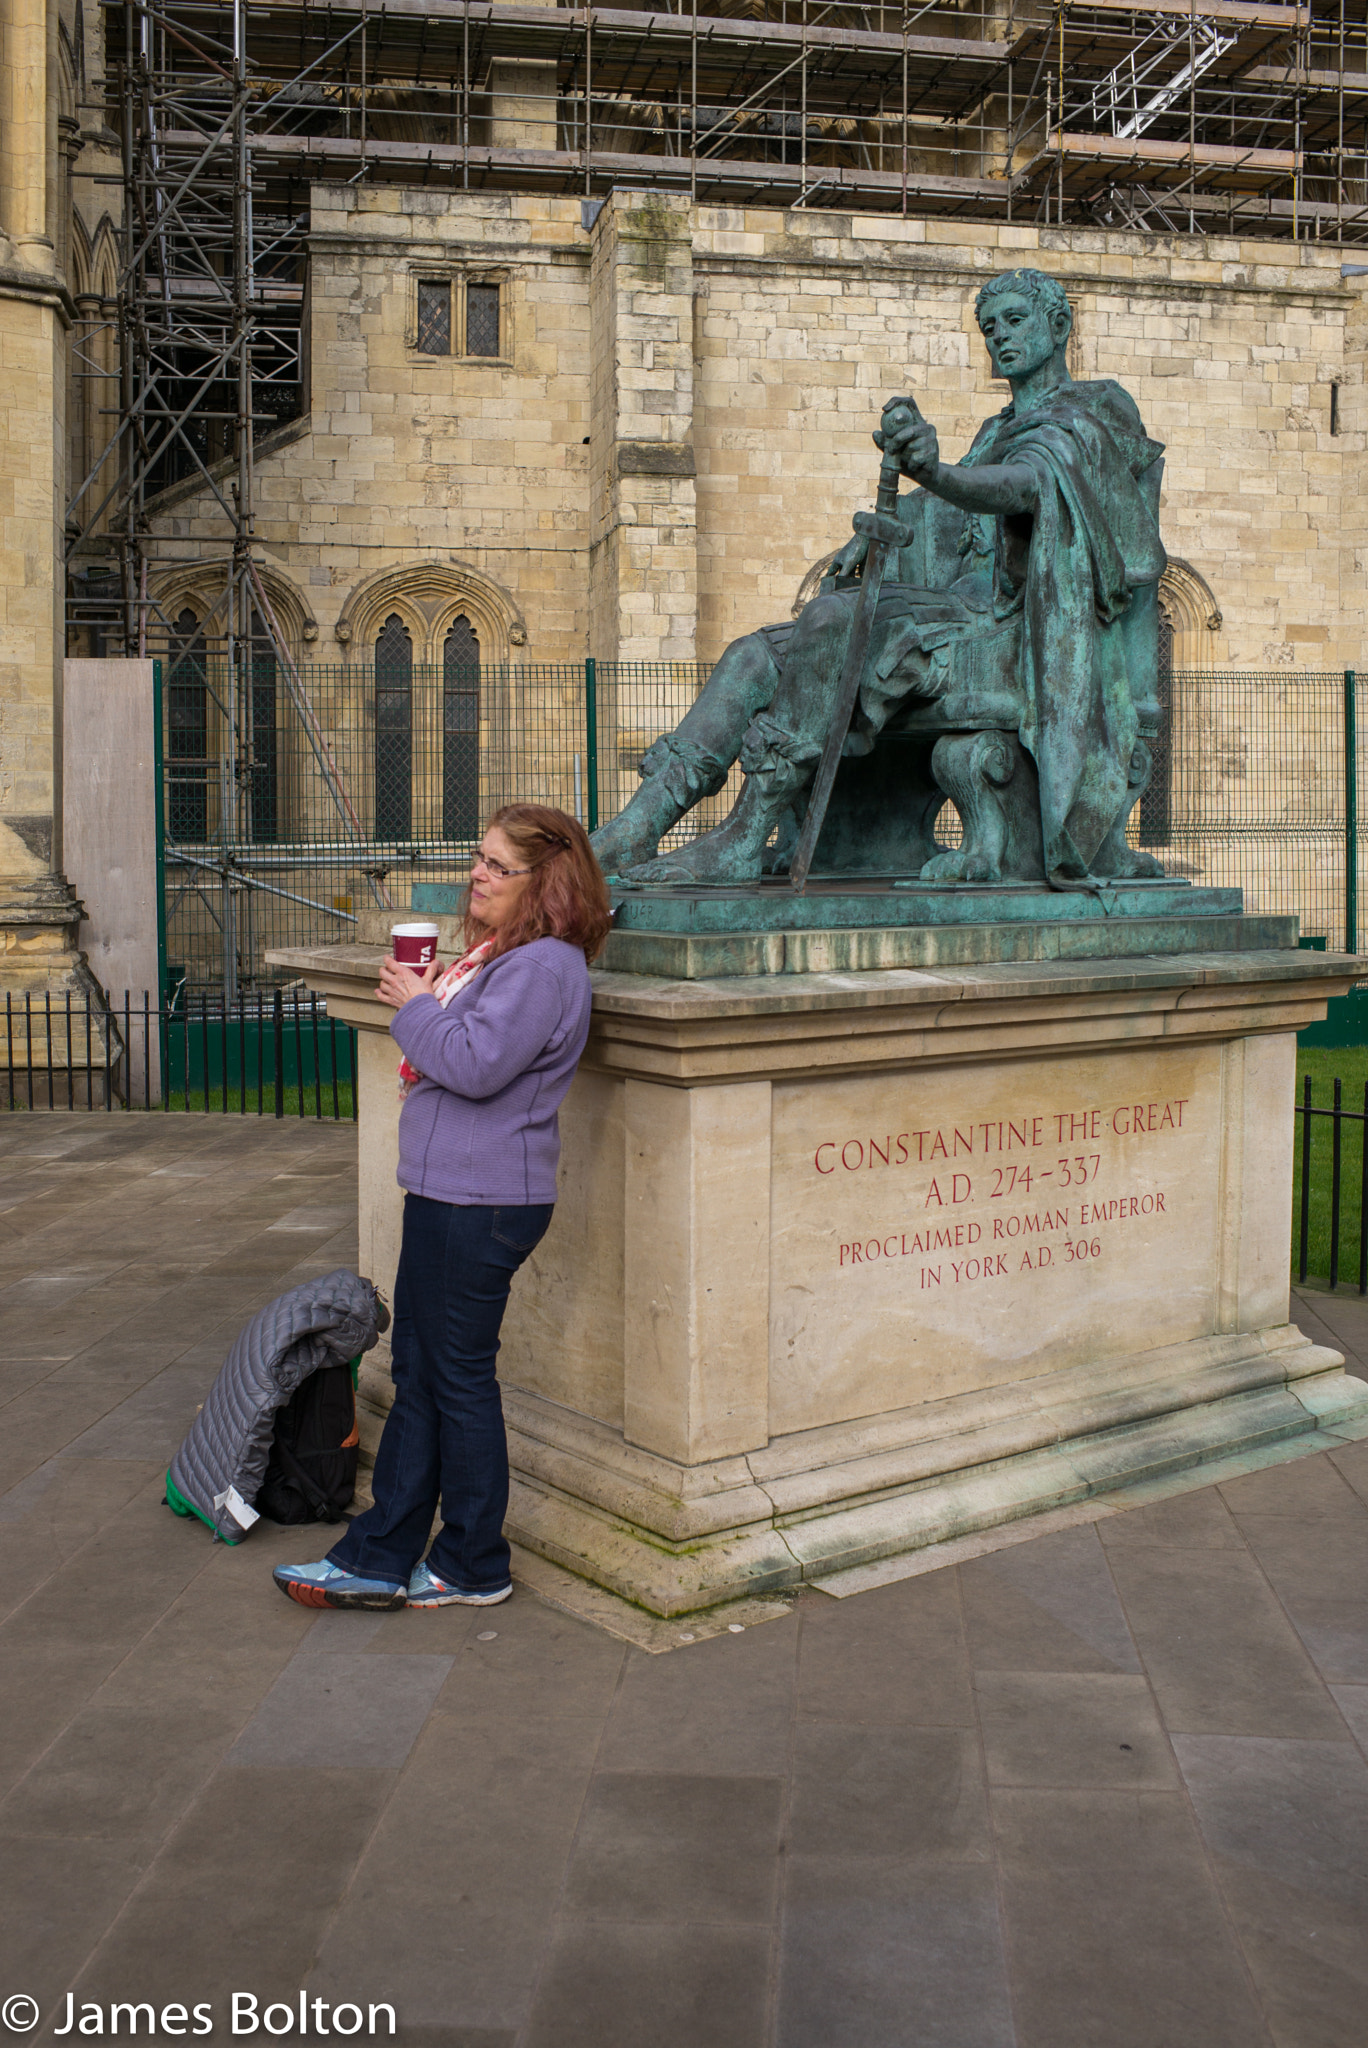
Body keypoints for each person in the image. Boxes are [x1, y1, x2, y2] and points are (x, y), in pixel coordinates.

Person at [591, 267, 1166, 889]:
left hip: (1017, 631)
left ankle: (745, 837)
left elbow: (1019, 487)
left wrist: (936, 472)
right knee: (751, 657)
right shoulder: (997, 430)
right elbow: (947, 513)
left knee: (834, 619)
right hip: (952, 611)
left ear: (1059, 325)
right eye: (989, 327)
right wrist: (879, 525)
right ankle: (638, 826)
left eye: (1015, 321)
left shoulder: (1094, 412)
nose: (1000, 337)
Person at [273, 804, 612, 1611]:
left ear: (547, 881)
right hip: (454, 1196)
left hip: (480, 1203)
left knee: (454, 1381)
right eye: (478, 857)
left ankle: (471, 1561)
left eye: (498, 865)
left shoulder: (542, 969)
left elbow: (475, 1062)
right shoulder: (506, 960)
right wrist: (428, 1000)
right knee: (426, 1374)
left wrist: (415, 1003)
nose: (477, 875)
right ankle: (383, 1552)